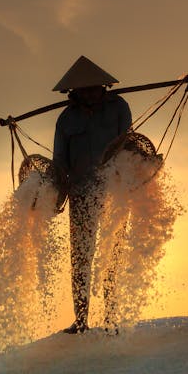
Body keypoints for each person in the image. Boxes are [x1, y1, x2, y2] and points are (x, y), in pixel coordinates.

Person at [52, 56, 132, 334]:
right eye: (85, 90)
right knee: (81, 257)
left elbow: (128, 144)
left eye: (95, 88)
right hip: (81, 194)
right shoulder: (66, 119)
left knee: (113, 255)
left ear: (103, 87)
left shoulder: (119, 107)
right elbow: (60, 161)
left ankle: (111, 318)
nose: (91, 93)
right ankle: (81, 320)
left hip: (114, 190)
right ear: (74, 93)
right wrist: (54, 192)